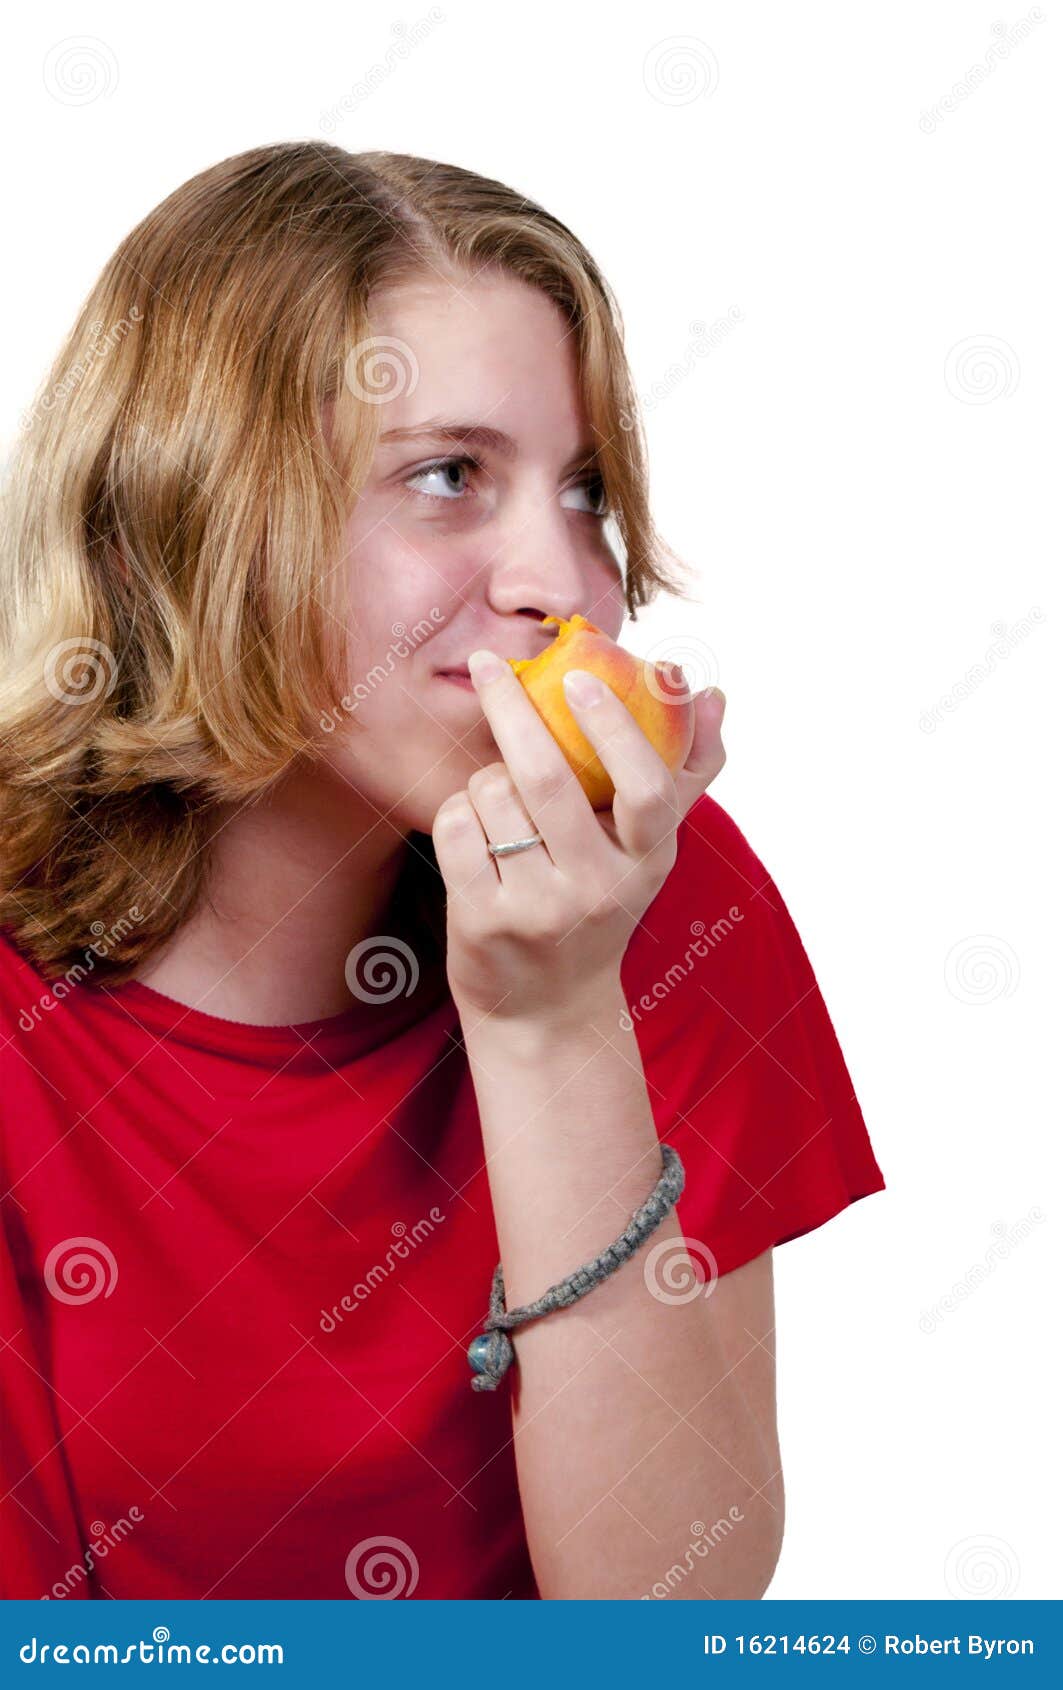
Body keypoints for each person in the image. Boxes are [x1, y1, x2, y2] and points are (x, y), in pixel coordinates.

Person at [0, 142, 885, 1602]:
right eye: (453, 476)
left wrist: (555, 1022)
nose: (568, 584)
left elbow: (666, 1612)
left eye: (586, 488)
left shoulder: (646, 889)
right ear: (201, 517)